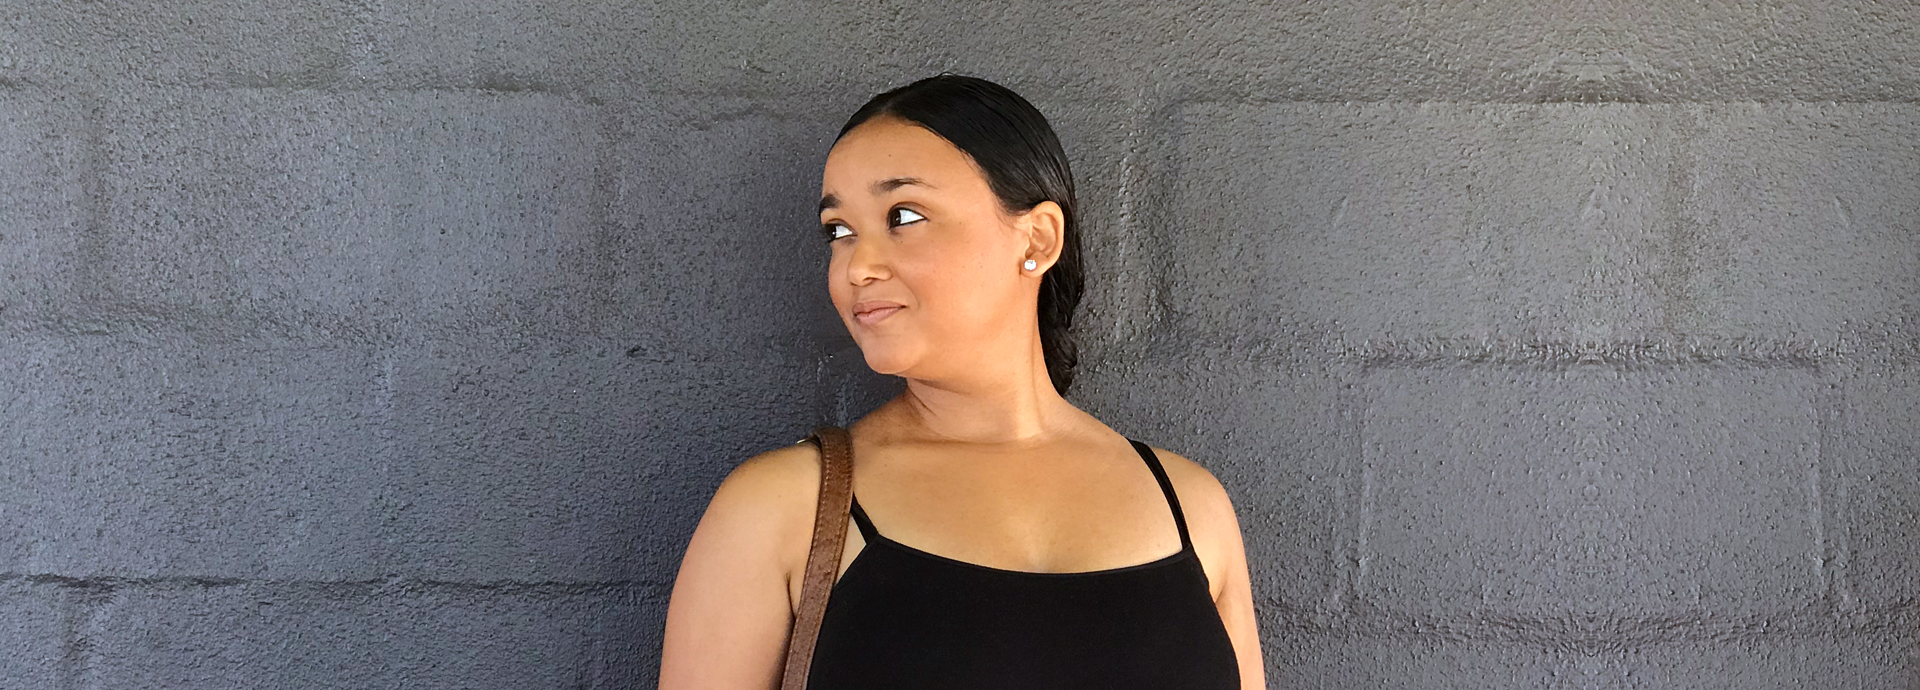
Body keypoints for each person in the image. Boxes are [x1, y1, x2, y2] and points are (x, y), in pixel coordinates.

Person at [659, 73, 1265, 689]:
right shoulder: (782, 510)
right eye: (839, 231)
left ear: (1037, 238)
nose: (857, 267)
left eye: (903, 216)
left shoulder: (1193, 509)